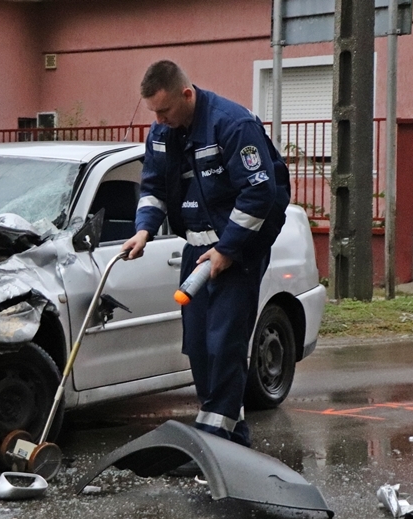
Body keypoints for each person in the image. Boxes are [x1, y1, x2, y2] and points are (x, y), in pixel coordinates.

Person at [121, 60, 290, 449]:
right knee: (199, 348)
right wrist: (144, 229)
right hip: (195, 249)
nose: (160, 120)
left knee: (224, 345)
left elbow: (259, 193)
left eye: (164, 111)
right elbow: (153, 187)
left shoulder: (232, 124)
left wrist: (227, 250)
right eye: (154, 114)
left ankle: (215, 443)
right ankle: (228, 439)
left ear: (187, 94)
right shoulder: (163, 133)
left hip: (237, 250)